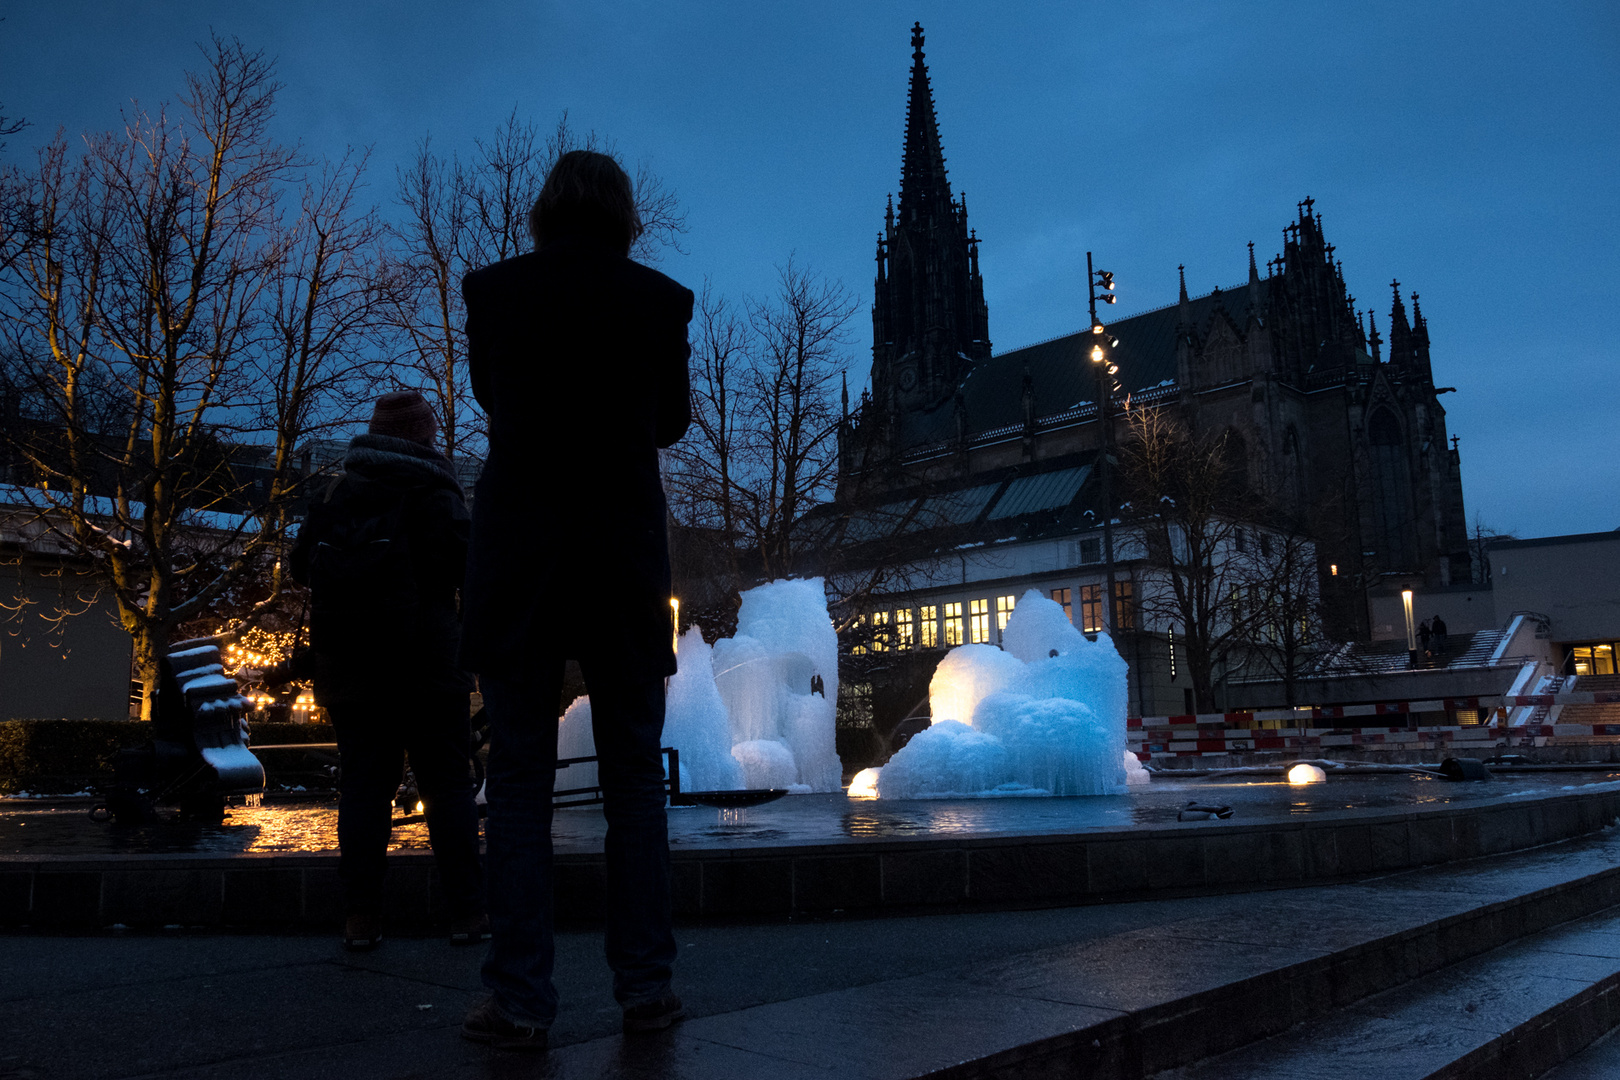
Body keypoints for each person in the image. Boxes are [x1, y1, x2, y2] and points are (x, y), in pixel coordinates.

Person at [457, 149, 694, 1052]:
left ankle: (519, 997)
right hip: (620, 552)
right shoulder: (658, 302)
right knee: (634, 777)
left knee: (516, 779)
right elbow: (668, 420)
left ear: (545, 212)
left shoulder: (495, 293)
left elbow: (490, 397)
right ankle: (646, 987)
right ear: (625, 217)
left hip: (520, 550)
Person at [272, 390, 484, 951]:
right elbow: (468, 568)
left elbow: (301, 568)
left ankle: (361, 917)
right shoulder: (435, 491)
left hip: (351, 670)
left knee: (364, 790)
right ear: (421, 435)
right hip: (427, 668)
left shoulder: (339, 490)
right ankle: (466, 912)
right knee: (448, 786)